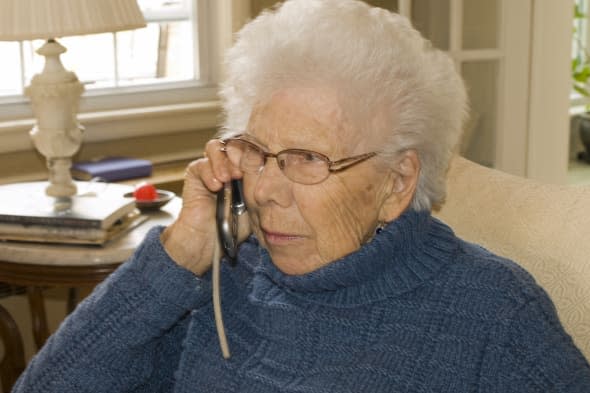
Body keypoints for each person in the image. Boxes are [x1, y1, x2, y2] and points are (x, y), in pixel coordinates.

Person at [13, 0, 590, 392]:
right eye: (256, 152)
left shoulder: (490, 311)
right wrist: (180, 252)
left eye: (307, 160)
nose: (263, 190)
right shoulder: (218, 279)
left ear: (397, 183)